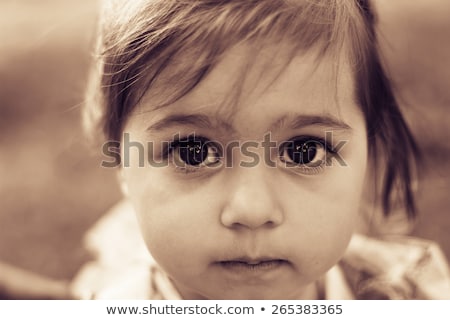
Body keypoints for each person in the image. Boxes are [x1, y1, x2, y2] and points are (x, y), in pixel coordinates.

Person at [73, 0, 450, 299]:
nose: (252, 210)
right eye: (193, 152)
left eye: (304, 151)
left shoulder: (410, 298)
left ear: (369, 150)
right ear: (120, 159)